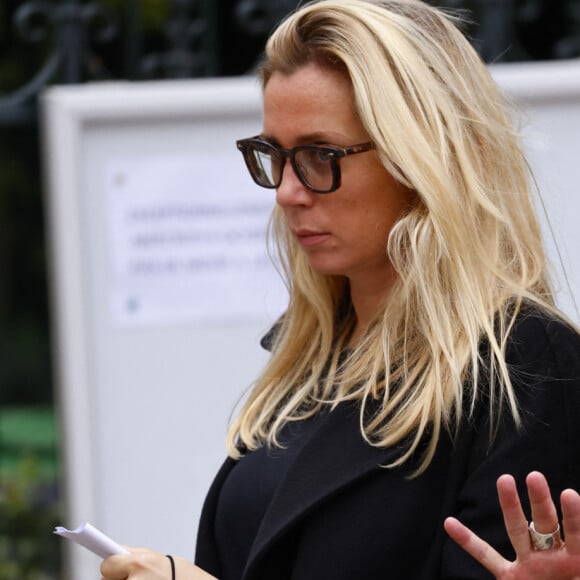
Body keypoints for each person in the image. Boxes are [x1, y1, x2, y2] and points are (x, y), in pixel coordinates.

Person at [100, 0, 580, 578]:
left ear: (422, 157)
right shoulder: (320, 354)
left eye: (319, 156)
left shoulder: (524, 364)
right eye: (274, 155)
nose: (286, 192)